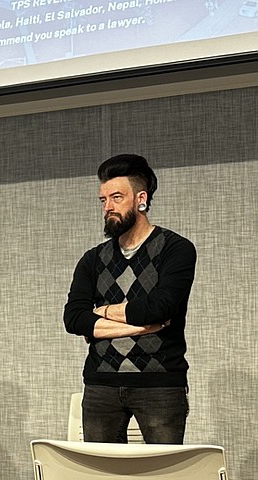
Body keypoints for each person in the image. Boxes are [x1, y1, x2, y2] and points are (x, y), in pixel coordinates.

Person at [63, 154, 196, 444]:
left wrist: (103, 312)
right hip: (101, 384)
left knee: (162, 479)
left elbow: (161, 307)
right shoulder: (93, 259)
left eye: (116, 197)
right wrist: (138, 325)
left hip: (160, 384)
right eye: (103, 200)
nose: (108, 207)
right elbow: (74, 319)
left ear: (141, 198)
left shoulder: (176, 249)